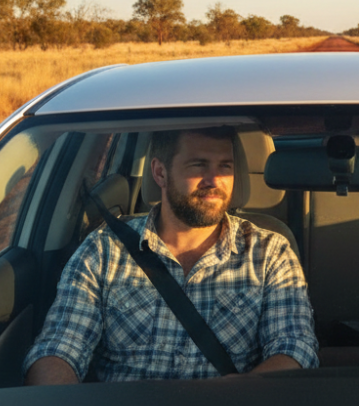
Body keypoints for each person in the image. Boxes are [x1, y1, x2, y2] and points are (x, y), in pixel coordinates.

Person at [24, 127, 318, 384]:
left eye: (225, 166)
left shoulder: (269, 253)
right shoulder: (104, 250)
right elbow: (59, 348)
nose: (214, 180)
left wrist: (237, 398)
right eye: (198, 165)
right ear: (160, 172)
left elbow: (294, 349)